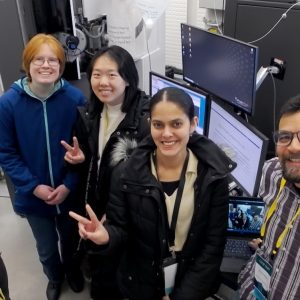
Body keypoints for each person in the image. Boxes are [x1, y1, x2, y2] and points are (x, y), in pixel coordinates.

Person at [69, 87, 236, 300]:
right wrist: (105, 237)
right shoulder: (126, 173)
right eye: (158, 125)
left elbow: (212, 248)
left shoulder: (213, 177)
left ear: (193, 124)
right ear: (150, 124)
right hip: (142, 281)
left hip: (190, 279)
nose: (166, 134)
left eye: (176, 124)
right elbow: (120, 228)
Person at [0, 33, 85, 300]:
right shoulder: (8, 104)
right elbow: (6, 152)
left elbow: (85, 152)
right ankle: (54, 277)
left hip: (67, 193)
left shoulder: (75, 99)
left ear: (61, 65)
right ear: (28, 63)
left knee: (71, 241)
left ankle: (72, 270)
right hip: (33, 197)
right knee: (46, 247)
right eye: (39, 59)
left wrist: (68, 185)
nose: (46, 65)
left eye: (53, 60)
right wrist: (33, 187)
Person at [61, 45, 150, 300]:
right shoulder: (90, 112)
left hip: (124, 214)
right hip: (95, 201)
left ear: (128, 78)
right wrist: (78, 160)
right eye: (97, 75)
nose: (103, 82)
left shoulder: (145, 121)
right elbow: (91, 159)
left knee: (117, 273)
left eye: (112, 75)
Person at [239, 94, 300, 299]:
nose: (293, 147)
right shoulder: (272, 171)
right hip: (251, 289)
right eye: (285, 137)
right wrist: (266, 243)